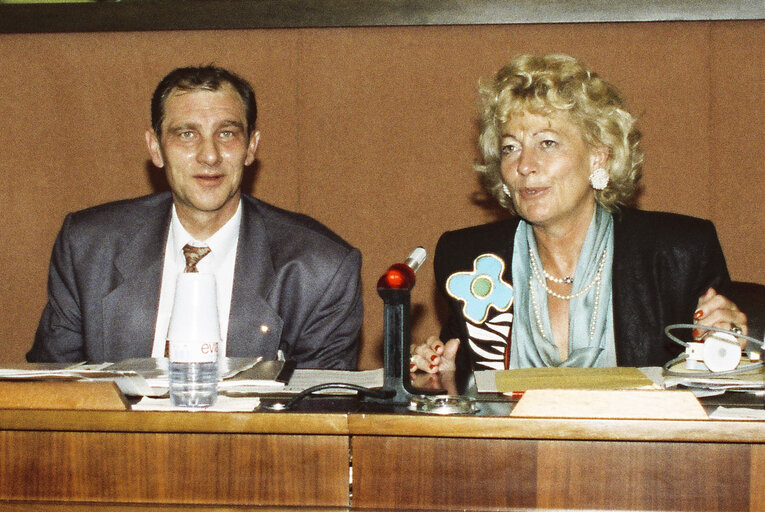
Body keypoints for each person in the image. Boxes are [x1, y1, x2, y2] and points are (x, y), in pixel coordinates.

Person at [411, 54, 747, 374]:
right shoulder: (467, 260)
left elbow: (718, 390)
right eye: (510, 148)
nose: (524, 165)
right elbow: (468, 386)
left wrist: (726, 343)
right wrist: (443, 376)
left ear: (598, 157)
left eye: (547, 143)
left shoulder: (679, 255)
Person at [28, 65, 362, 369]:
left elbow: (320, 418)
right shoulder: (88, 248)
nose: (210, 155)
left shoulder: (321, 268)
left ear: (251, 147)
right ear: (156, 148)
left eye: (227, 133)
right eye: (187, 134)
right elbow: (52, 389)